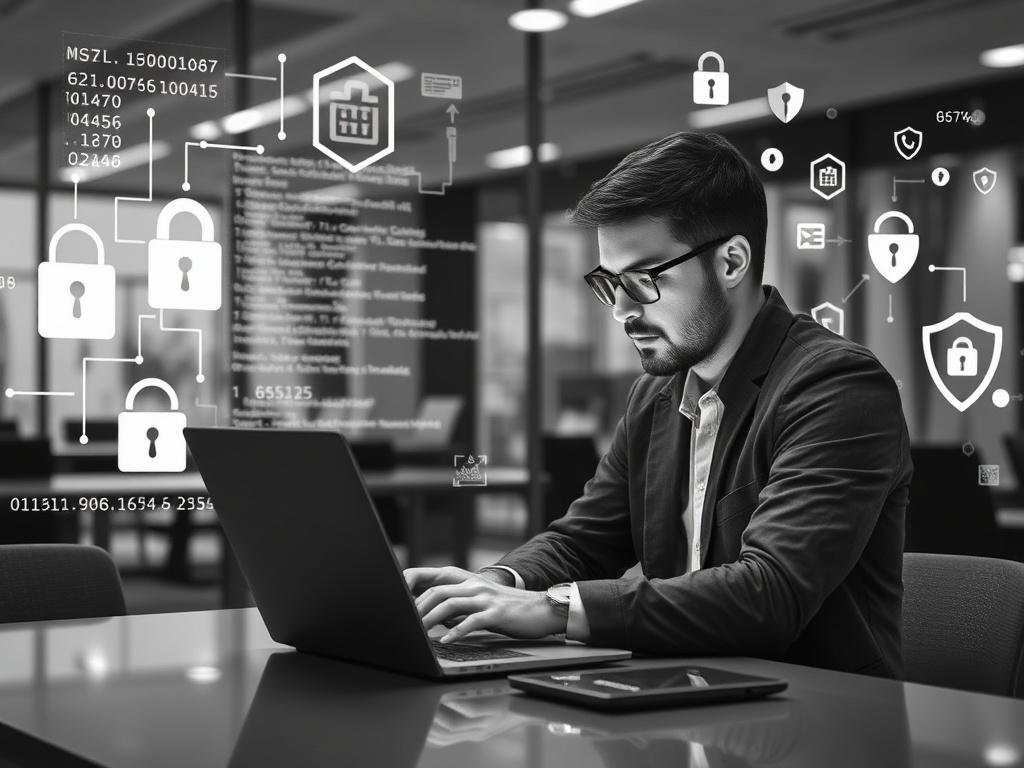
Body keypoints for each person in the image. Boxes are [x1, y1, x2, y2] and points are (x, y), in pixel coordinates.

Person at [405, 131, 911, 678]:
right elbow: (583, 542)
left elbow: (769, 594)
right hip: (691, 695)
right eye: (609, 283)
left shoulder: (836, 386)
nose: (621, 311)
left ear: (732, 262)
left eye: (644, 281)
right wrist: (496, 584)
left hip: (818, 716)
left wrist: (553, 610)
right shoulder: (658, 394)